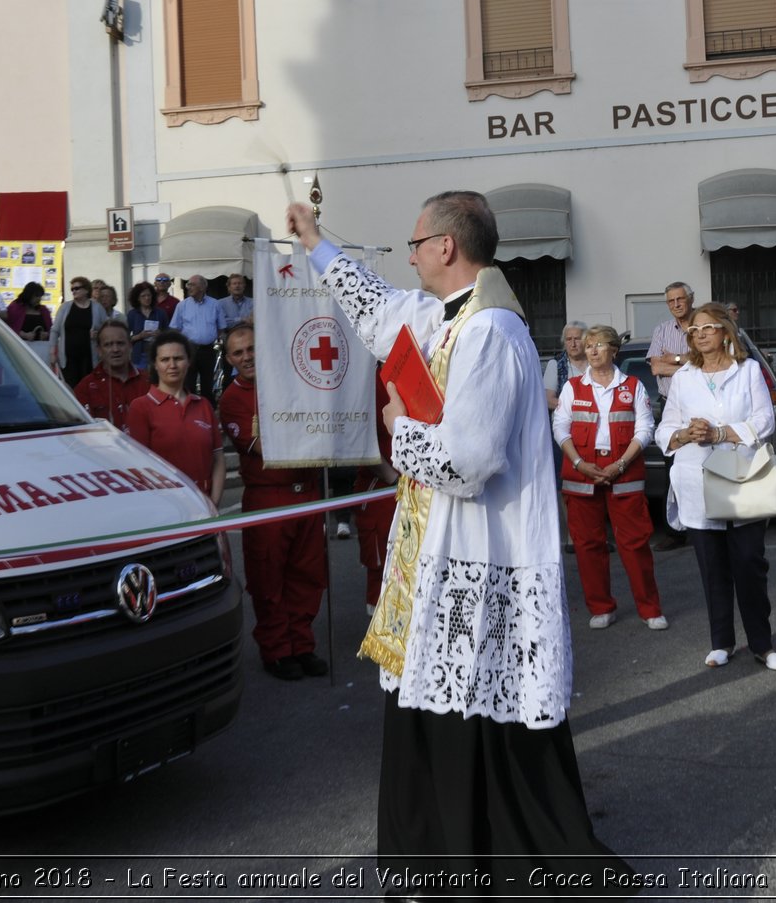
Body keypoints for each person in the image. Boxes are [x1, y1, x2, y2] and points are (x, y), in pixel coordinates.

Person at [285, 193, 631, 891]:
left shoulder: (491, 331)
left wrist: (398, 426)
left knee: (476, 705)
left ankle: (484, 853)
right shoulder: (440, 319)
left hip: (477, 551)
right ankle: (436, 853)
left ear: (447, 246)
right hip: (434, 552)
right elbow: (378, 309)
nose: (408, 254)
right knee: (436, 701)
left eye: (415, 243)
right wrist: (317, 242)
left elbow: (469, 462)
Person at [656, 304, 776, 672]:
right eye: (693, 330)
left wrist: (721, 433)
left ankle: (762, 644)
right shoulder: (684, 377)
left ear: (726, 331)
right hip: (697, 480)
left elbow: (764, 420)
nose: (699, 334)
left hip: (740, 479)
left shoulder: (747, 371)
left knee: (749, 563)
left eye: (707, 327)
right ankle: (722, 642)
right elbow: (666, 427)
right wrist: (685, 434)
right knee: (712, 567)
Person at [216, 323, 328, 680]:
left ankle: (302, 645)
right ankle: (277, 650)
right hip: (269, 497)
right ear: (229, 358)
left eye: (252, 348)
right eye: (238, 352)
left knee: (307, 576)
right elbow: (268, 448)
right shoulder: (233, 399)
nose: (247, 357)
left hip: (307, 492)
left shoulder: (290, 381)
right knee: (269, 580)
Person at [555, 324, 667, 630]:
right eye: (588, 345)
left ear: (613, 351)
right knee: (588, 544)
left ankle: (649, 608)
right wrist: (579, 463)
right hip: (582, 473)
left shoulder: (633, 385)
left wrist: (620, 464)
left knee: (635, 544)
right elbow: (560, 428)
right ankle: (601, 607)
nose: (590, 350)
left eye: (598, 345)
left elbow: (645, 429)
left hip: (624, 471)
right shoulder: (573, 387)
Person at [125, 328, 225, 506]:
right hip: (166, 508)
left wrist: (214, 503)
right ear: (155, 364)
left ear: (188, 362)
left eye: (178, 358)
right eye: (165, 359)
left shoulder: (203, 405)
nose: (172, 365)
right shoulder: (141, 407)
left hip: (206, 507)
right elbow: (140, 468)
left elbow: (218, 460)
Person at [355, 375, 398, 615]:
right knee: (381, 566)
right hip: (382, 486)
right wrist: (394, 477)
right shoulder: (367, 383)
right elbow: (358, 438)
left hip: (416, 484)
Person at [74, 319, 150, 427]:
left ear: (130, 346)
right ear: (99, 351)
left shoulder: (149, 382)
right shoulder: (85, 388)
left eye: (120, 343)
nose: (115, 349)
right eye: (108, 345)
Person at [172, 274, 229, 398]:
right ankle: (190, 411)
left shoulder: (215, 304)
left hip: (208, 349)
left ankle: (208, 411)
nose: (189, 287)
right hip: (189, 349)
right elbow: (175, 328)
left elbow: (221, 327)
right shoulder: (182, 305)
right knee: (189, 384)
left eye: (192, 284)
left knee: (208, 384)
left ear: (203, 287)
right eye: (188, 284)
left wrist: (210, 338)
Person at [647, 281, 697, 396]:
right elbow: (657, 368)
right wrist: (695, 369)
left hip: (700, 403)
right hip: (670, 403)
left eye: (680, 299)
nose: (676, 305)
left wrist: (675, 358)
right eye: (671, 301)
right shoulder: (661, 330)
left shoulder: (704, 326)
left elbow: (709, 364)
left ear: (691, 299)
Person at [49, 276, 99, 388]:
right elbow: (55, 330)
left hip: (89, 357)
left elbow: (106, 328)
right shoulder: (65, 307)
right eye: (72, 289)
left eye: (77, 288)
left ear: (86, 290)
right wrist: (52, 353)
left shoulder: (96, 308)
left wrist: (98, 334)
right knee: (70, 386)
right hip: (68, 357)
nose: (74, 291)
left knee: (88, 386)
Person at [543, 320, 590, 412]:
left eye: (577, 339)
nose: (573, 344)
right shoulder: (555, 364)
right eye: (568, 339)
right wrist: (579, 408)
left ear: (586, 341)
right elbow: (548, 400)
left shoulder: (595, 363)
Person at [126, 280, 171, 370]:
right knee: (140, 382)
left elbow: (169, 335)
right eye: (143, 296)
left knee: (156, 382)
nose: (147, 298)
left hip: (157, 354)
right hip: (139, 355)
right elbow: (125, 338)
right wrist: (139, 336)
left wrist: (160, 335)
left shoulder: (160, 313)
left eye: (149, 295)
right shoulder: (132, 314)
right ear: (138, 298)